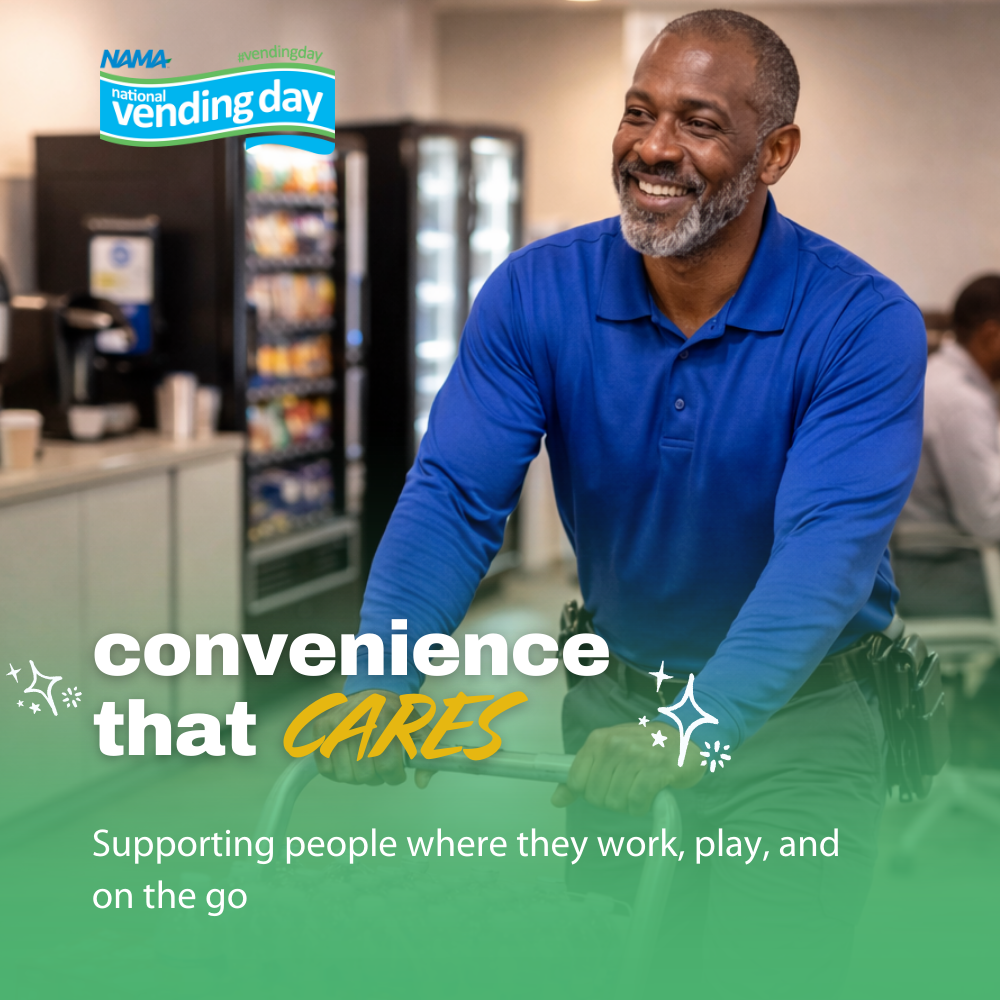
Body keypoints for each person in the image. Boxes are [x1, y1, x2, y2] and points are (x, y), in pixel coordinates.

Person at [316, 9, 925, 995]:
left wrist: (694, 726)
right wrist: (383, 676)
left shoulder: (860, 324)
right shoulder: (532, 295)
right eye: (637, 112)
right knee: (629, 967)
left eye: (696, 122)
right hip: (611, 711)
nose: (652, 146)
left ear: (775, 153)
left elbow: (826, 551)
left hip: (798, 726)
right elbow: (454, 496)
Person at [894, 275, 1000, 619]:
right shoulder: (960, 402)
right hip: (945, 571)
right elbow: (986, 518)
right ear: (991, 336)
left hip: (935, 562)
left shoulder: (945, 377)